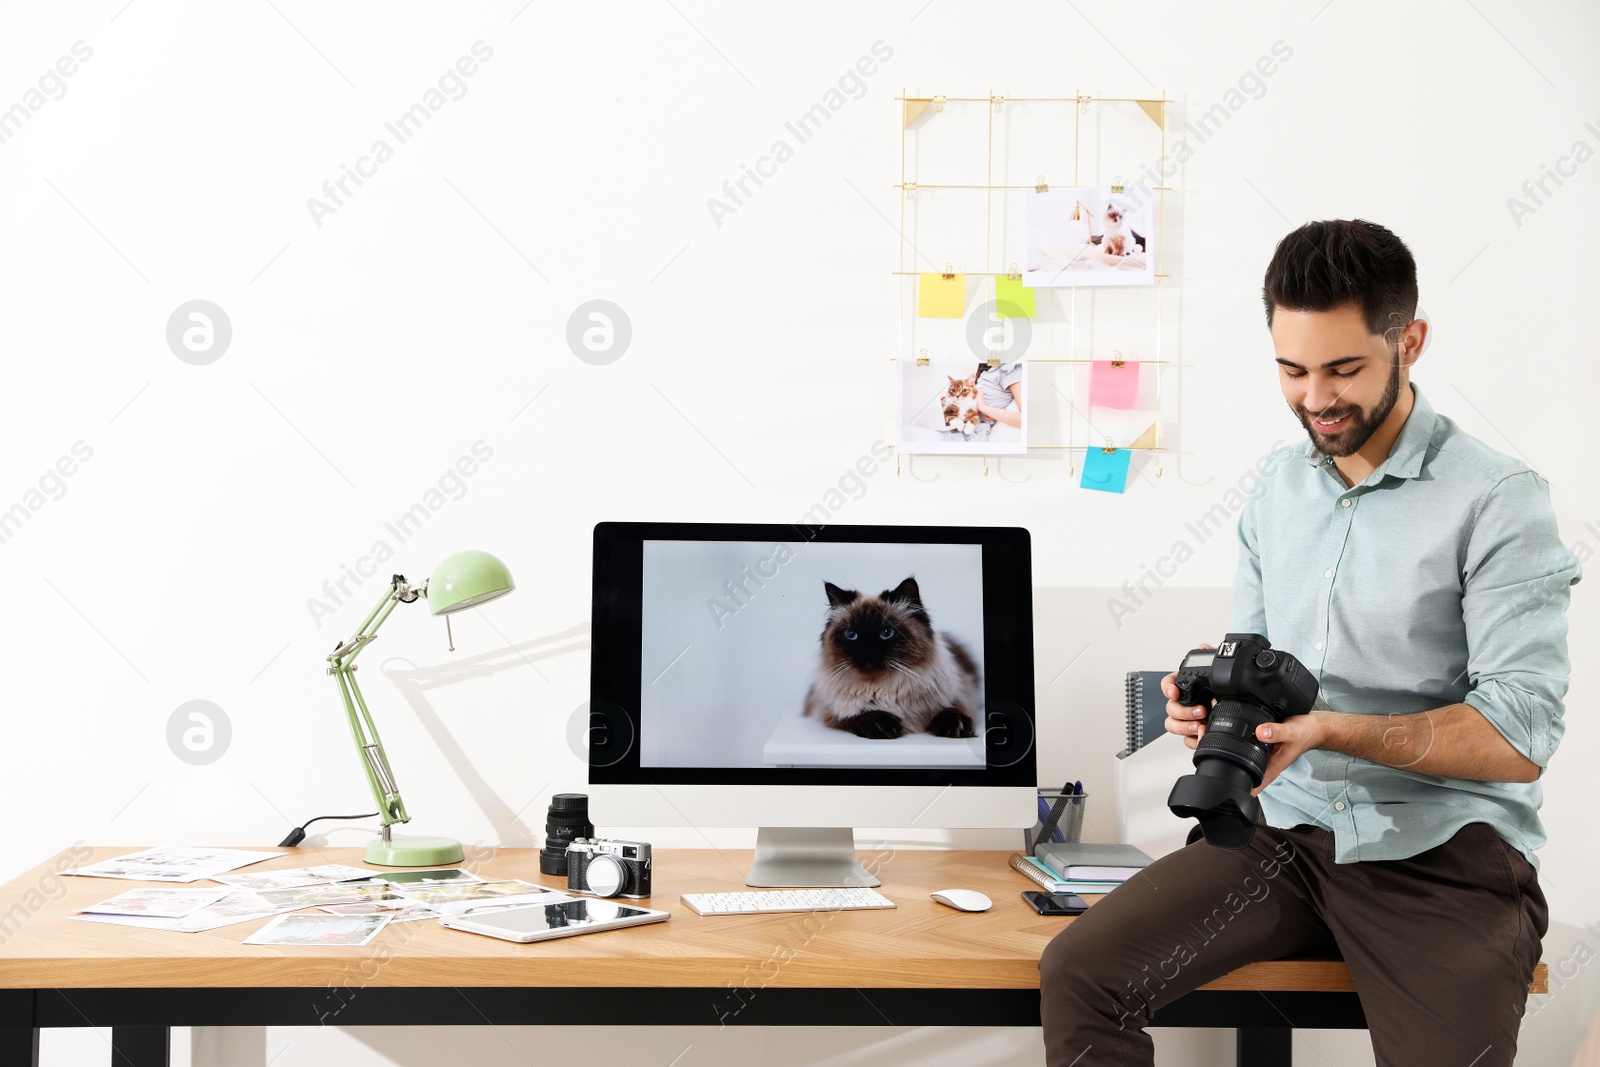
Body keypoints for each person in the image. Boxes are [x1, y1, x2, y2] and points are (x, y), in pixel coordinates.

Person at [1038, 219, 1580, 1067]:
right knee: (1080, 972)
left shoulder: (1500, 500)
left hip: (1437, 854)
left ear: (1412, 341)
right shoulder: (1278, 487)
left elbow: (1519, 737)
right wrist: (1215, 707)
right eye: (1292, 370)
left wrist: (1333, 727)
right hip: (1281, 836)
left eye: (1344, 368)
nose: (1316, 398)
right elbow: (1261, 661)